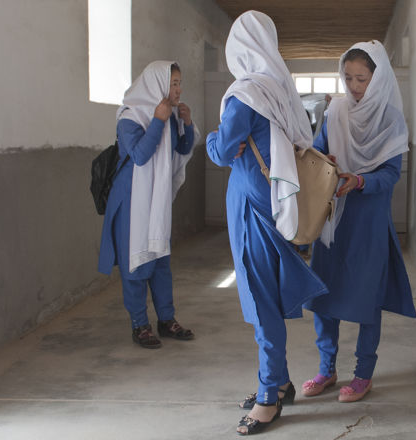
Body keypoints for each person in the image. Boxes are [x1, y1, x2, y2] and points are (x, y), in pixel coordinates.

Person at [205, 11, 328, 435]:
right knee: (270, 296)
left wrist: (209, 139)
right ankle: (280, 382)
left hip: (251, 211)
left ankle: (268, 396)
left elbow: (222, 151)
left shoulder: (244, 95)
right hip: (278, 206)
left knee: (261, 302)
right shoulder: (281, 87)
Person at [302, 41, 416, 403]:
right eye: (348, 77)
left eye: (361, 79)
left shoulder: (391, 119)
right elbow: (317, 151)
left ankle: (363, 373)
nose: (353, 86)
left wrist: (361, 180)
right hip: (334, 218)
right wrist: (325, 158)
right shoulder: (335, 113)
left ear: (378, 79)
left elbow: (391, 174)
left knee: (367, 299)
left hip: (368, 222)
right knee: (324, 295)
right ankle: (327, 369)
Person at [98, 61, 198, 349]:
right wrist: (158, 120)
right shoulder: (129, 117)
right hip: (131, 200)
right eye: (173, 83)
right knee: (137, 263)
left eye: (179, 83)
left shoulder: (170, 114)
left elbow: (181, 148)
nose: (178, 89)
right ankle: (139, 324)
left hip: (156, 199)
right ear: (156, 84)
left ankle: (167, 319)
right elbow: (140, 155)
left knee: (161, 261)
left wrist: (187, 124)